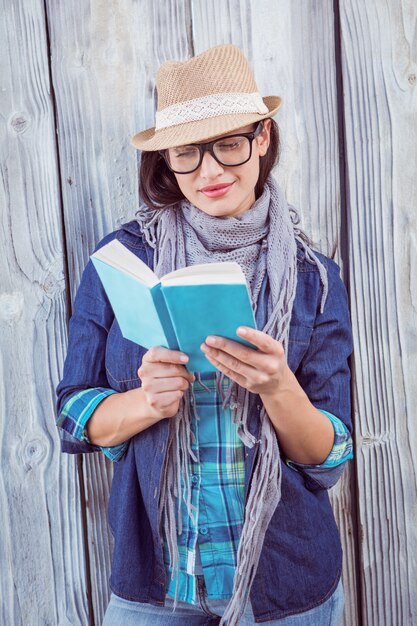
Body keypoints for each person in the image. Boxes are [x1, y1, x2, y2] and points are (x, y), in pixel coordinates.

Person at [56, 44, 353, 625]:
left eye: (228, 144)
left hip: (286, 583)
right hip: (158, 581)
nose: (210, 171)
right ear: (166, 160)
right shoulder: (121, 260)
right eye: (187, 154)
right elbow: (72, 412)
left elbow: (330, 454)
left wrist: (278, 387)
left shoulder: (315, 278)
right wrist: (145, 402)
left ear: (262, 137)